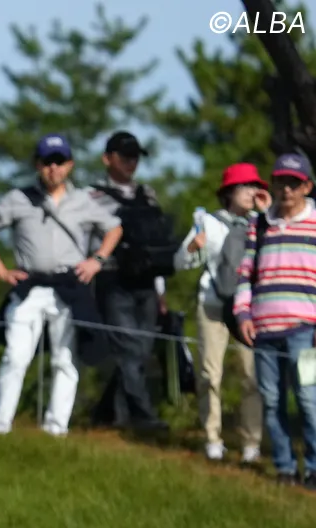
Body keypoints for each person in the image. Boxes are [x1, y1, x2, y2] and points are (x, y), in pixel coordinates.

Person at [0, 134, 122, 437]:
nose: (53, 168)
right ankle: (0, 425)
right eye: (47, 162)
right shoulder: (19, 198)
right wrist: (1, 270)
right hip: (29, 284)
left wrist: (97, 260)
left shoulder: (83, 201)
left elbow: (114, 228)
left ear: (69, 165)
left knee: (65, 359)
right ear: (37, 165)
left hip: (69, 286)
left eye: (59, 161)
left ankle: (57, 428)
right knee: (16, 356)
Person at [173, 162, 268, 463]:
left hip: (249, 311)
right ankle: (212, 437)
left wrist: (266, 213)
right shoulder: (208, 223)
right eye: (245, 186)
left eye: (256, 186)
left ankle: (251, 441)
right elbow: (180, 263)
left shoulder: (262, 222)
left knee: (251, 376)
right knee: (210, 374)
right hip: (213, 305)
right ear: (229, 192)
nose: (252, 192)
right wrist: (193, 246)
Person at [235, 152, 316, 488]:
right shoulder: (260, 224)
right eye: (281, 182)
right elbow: (246, 272)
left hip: (306, 329)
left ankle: (313, 467)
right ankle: (285, 468)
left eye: (294, 183)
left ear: (307, 186)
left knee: (309, 399)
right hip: (265, 328)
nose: (287, 190)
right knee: (271, 401)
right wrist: (243, 313)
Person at [88, 132, 175, 434]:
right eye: (125, 156)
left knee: (141, 350)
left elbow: (157, 243)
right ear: (107, 158)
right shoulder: (91, 197)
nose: (131, 162)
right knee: (129, 348)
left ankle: (107, 415)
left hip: (147, 282)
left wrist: (161, 290)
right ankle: (143, 416)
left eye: (135, 156)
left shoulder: (148, 194)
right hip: (113, 279)